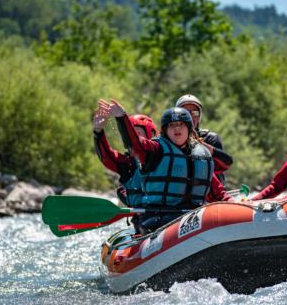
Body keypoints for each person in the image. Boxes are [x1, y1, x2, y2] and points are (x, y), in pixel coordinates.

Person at [106, 99, 231, 234]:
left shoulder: (201, 156)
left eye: (181, 125)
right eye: (172, 125)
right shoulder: (156, 150)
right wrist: (121, 117)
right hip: (158, 218)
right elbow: (135, 143)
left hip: (194, 218)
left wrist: (237, 205)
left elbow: (219, 193)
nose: (177, 128)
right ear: (165, 131)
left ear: (189, 129)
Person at [93, 99, 157, 207]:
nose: (133, 138)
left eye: (138, 134)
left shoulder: (158, 156)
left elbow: (136, 144)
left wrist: (121, 117)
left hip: (161, 212)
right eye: (131, 134)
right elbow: (107, 157)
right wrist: (98, 131)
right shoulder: (127, 163)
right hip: (140, 217)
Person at [175, 94, 233, 188]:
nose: (190, 116)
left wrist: (201, 146)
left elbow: (226, 162)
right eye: (185, 112)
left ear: (199, 116)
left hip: (208, 194)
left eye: (195, 113)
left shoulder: (210, 138)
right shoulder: (170, 138)